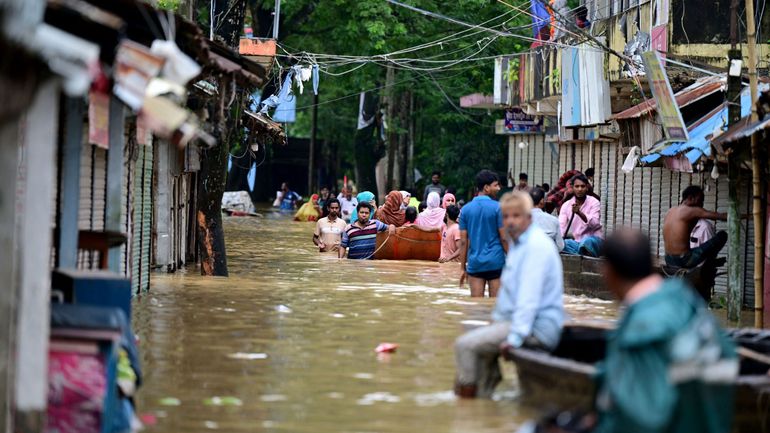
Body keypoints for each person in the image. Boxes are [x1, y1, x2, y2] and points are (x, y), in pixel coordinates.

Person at [593, 229, 736, 433]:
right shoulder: (686, 301)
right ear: (651, 263)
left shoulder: (642, 331)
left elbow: (643, 419)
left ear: (608, 272)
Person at [454, 192, 564, 398]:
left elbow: (528, 300)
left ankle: (467, 406)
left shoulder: (535, 247)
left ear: (528, 218)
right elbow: (509, 297)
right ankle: (485, 394)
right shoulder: (519, 245)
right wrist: (495, 324)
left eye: (516, 216)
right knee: (476, 341)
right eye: (506, 217)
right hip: (518, 322)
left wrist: (514, 338)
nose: (510, 222)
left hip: (536, 328)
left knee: (465, 346)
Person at [459, 170, 508, 297]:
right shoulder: (498, 208)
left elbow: (464, 241)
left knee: (476, 308)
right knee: (496, 306)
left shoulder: (465, 210)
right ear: (486, 188)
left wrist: (462, 268)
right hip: (496, 263)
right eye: (496, 185)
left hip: (475, 264)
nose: (498, 188)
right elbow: (504, 239)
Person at [663, 185, 727, 268]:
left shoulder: (670, 211)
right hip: (683, 261)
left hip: (668, 259)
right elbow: (722, 216)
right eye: (700, 200)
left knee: (693, 249)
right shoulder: (691, 210)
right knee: (722, 235)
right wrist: (746, 216)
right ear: (690, 198)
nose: (701, 205)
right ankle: (709, 263)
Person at [559, 174, 603, 257]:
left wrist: (579, 213)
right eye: (577, 186)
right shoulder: (566, 205)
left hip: (594, 240)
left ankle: (580, 253)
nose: (580, 189)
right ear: (572, 188)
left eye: (582, 186)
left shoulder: (594, 202)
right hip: (577, 242)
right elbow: (561, 227)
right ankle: (580, 254)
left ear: (586, 187)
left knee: (587, 242)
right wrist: (559, 242)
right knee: (561, 244)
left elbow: (595, 224)